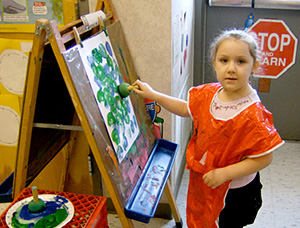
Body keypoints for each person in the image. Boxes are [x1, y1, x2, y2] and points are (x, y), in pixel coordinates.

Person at [132, 29, 285, 228]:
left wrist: (224, 174)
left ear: (254, 66)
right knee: (202, 219)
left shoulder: (254, 114)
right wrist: (154, 95)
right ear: (214, 63)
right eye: (224, 60)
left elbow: (264, 157)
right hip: (205, 182)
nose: (231, 68)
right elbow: (186, 108)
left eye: (240, 61)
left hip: (234, 191)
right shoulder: (209, 93)